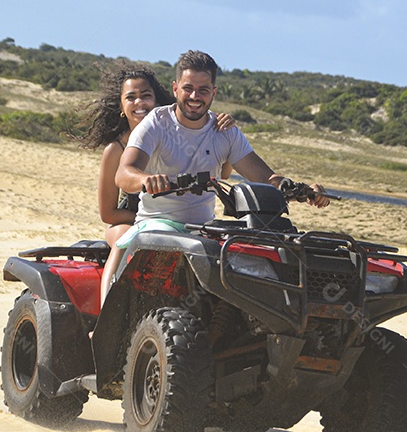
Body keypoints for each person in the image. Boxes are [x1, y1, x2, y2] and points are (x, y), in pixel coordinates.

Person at [114, 50, 328, 251]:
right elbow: (124, 173)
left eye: (203, 90)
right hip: (157, 224)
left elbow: (265, 177)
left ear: (213, 93)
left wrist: (302, 189)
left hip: (203, 230)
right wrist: (146, 180)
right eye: (188, 88)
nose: (195, 96)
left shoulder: (225, 132)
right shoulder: (156, 124)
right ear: (175, 88)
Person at [75, 62, 233, 302]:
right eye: (131, 97)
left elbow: (223, 173)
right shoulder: (116, 150)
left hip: (175, 222)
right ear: (121, 105)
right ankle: (106, 310)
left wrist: (224, 134)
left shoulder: (169, 134)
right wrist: (153, 219)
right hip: (128, 219)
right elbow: (108, 213)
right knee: (123, 241)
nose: (139, 103)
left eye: (146, 96)